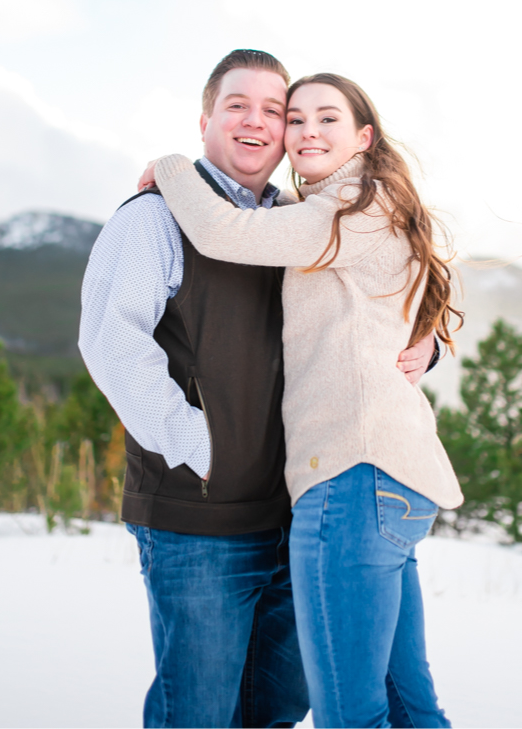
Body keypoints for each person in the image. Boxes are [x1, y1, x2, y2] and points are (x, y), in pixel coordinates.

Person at [79, 49, 438, 729]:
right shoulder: (155, 218)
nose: (258, 121)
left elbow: (373, 303)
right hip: (201, 522)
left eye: (275, 110)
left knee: (275, 709)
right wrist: (194, 443)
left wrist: (429, 344)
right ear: (206, 117)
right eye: (237, 105)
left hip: (300, 518)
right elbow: (111, 340)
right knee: (202, 715)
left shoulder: (291, 225)